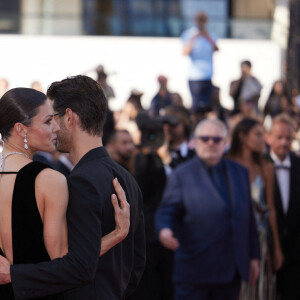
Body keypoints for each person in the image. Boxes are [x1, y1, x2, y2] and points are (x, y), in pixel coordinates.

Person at [0, 76, 146, 300]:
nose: (55, 128)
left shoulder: (79, 181)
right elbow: (134, 266)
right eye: (48, 121)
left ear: (69, 117)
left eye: (53, 119)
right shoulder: (127, 179)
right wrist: (116, 235)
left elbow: (74, 265)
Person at [156, 118, 260, 300]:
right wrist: (164, 230)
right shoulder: (182, 174)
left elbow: (248, 217)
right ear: (195, 142)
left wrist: (254, 256)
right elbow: (167, 209)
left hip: (231, 270)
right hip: (195, 271)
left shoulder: (239, 172)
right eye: (205, 139)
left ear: (225, 143)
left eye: (216, 139)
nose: (211, 143)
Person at [227, 118, 284, 300]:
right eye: (258, 135)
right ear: (243, 137)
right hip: (232, 240)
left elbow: (271, 209)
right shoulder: (226, 164)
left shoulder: (266, 167)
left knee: (259, 290)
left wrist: (277, 247)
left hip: (260, 239)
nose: (263, 140)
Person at [266, 114, 300, 299]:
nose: (284, 142)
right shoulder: (259, 165)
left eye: (288, 138)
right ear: (268, 137)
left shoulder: (298, 164)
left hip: (296, 252)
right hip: (268, 251)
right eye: (279, 137)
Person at [181, 11, 218, 112]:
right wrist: (196, 37)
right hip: (195, 76)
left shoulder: (211, 35)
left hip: (208, 76)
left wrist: (206, 36)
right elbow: (185, 51)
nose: (201, 23)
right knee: (196, 105)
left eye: (203, 20)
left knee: (207, 106)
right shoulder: (188, 34)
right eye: (199, 20)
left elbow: (216, 49)